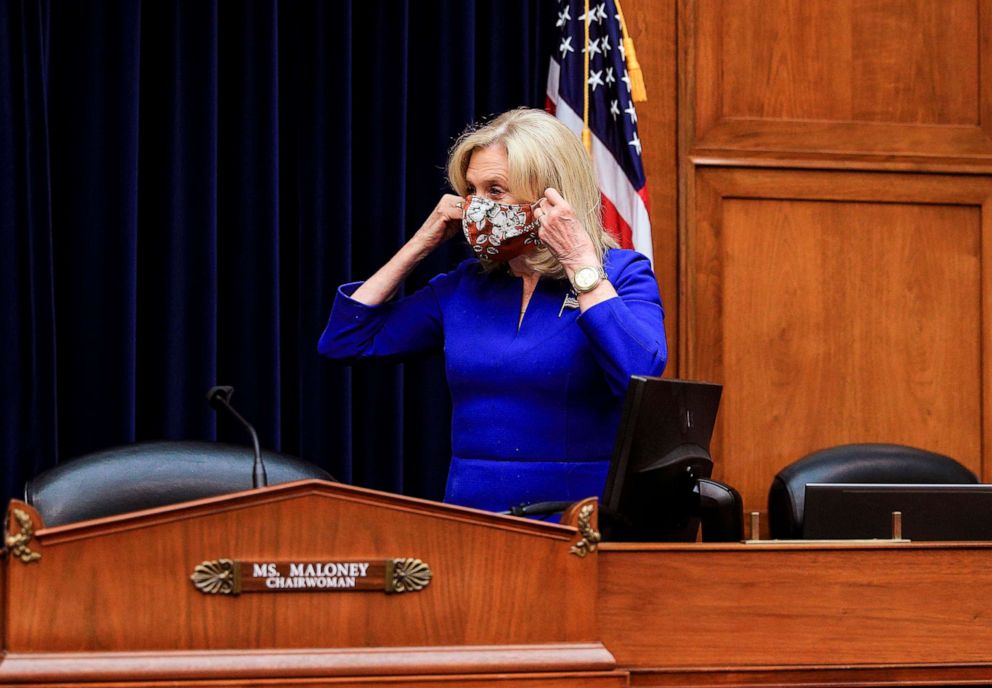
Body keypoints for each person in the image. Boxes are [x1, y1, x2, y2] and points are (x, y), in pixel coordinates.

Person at [318, 107, 667, 513]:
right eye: (471, 191)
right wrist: (420, 243)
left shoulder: (621, 275)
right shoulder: (465, 286)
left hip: (578, 523)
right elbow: (345, 341)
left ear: (550, 195)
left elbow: (639, 377)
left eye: (495, 191)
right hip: (474, 519)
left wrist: (578, 262)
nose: (476, 208)